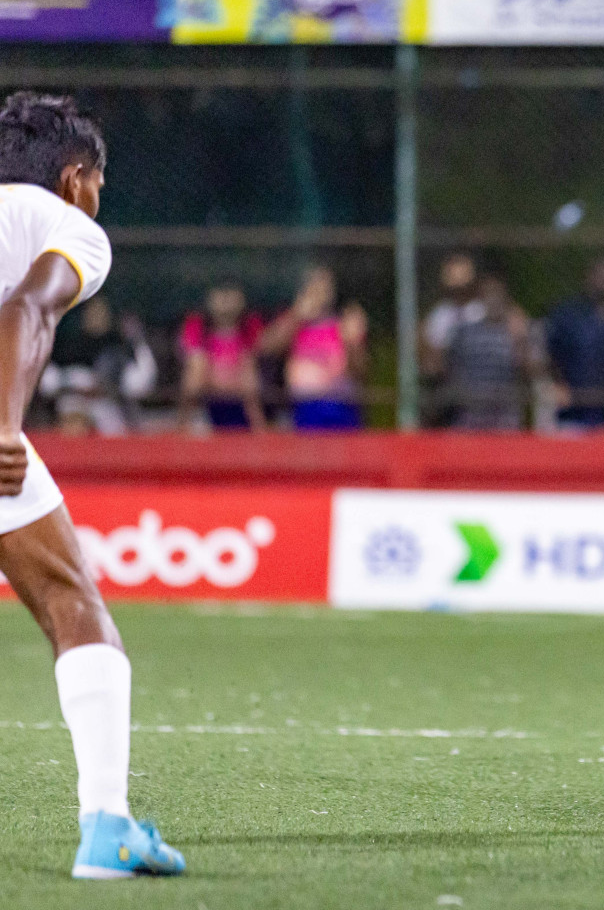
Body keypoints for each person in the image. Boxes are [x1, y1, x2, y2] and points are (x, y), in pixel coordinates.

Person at [0, 92, 183, 876]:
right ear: (76, 178)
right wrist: (5, 426)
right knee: (75, 605)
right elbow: (31, 308)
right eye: (98, 184)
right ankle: (106, 828)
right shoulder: (72, 228)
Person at [259, 267, 368, 431]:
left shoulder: (345, 323)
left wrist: (352, 344)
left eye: (326, 285)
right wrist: (297, 315)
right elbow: (265, 348)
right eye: (315, 284)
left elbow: (362, 371)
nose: (321, 291)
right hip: (305, 407)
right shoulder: (294, 321)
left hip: (342, 406)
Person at [41, 296, 156, 435]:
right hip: (72, 397)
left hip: (107, 402)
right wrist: (76, 387)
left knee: (114, 429)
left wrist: (105, 388)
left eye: (101, 311)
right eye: (92, 311)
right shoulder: (68, 343)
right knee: (72, 420)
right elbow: (48, 381)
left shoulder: (119, 343)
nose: (96, 316)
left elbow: (138, 382)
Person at [544, 255, 604, 428]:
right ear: (589, 277)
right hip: (573, 414)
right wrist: (558, 384)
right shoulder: (568, 316)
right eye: (600, 274)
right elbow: (550, 355)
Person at [441, 277, 529, 429]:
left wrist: (521, 341)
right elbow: (448, 366)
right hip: (470, 410)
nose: (493, 301)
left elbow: (526, 371)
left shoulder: (514, 333)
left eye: (498, 296)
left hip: (504, 412)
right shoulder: (465, 332)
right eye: (489, 295)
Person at [178, 282, 265, 431]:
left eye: (231, 294)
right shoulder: (196, 324)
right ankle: (183, 426)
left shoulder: (251, 324)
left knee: (247, 365)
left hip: (242, 398)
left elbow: (257, 352)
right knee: (197, 366)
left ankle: (259, 430)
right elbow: (194, 362)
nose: (225, 300)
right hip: (209, 395)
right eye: (220, 295)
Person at [420, 252, 484, 385]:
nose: (459, 290)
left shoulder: (481, 310)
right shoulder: (440, 314)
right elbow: (431, 353)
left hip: (480, 379)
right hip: (448, 382)